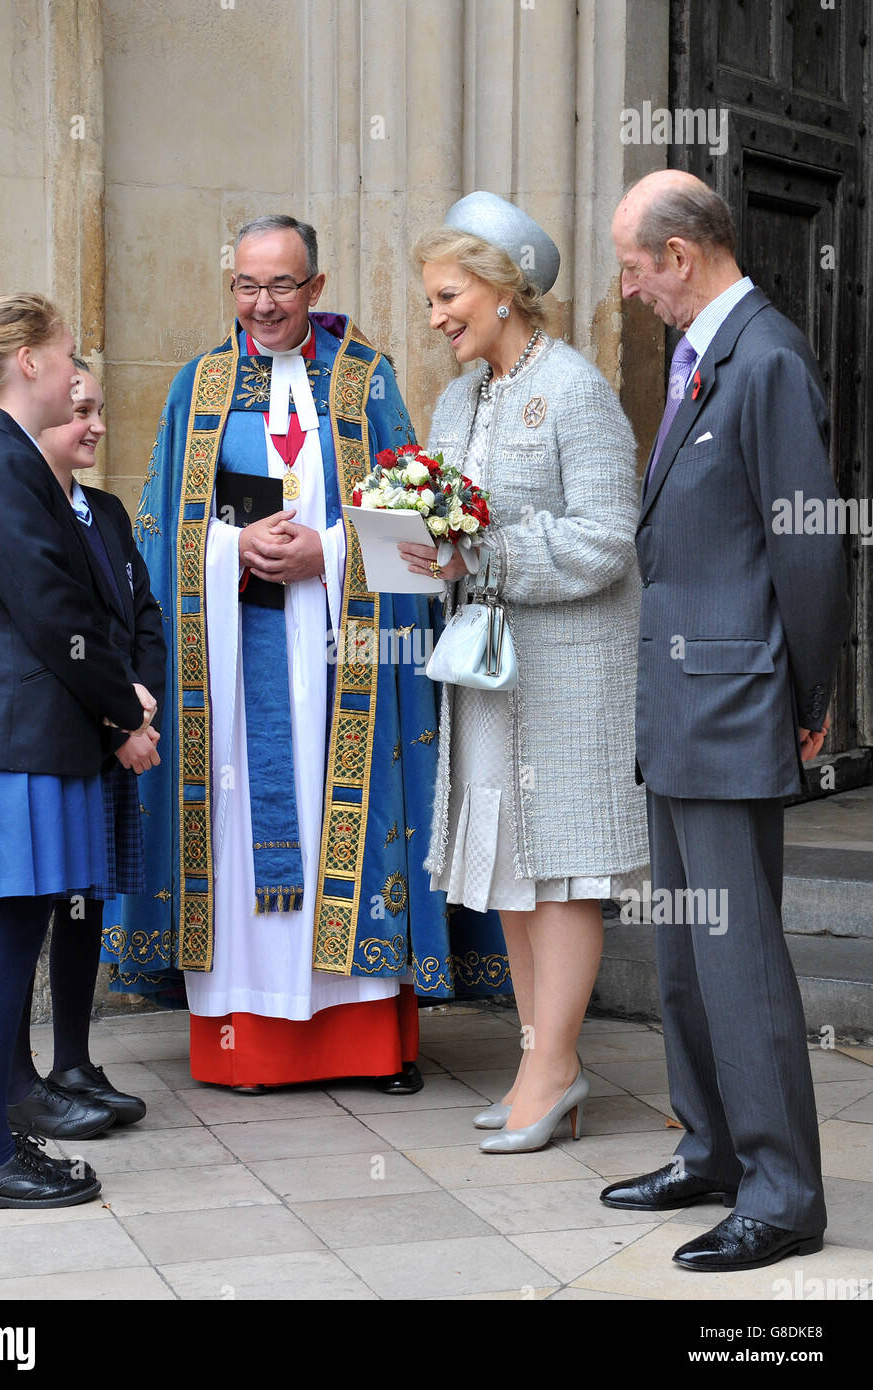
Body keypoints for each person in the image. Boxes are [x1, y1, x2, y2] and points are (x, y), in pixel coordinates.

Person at [126, 215, 460, 1090]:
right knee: (240, 837)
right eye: (247, 285)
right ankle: (248, 1044)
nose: (262, 304)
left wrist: (329, 551)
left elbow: (414, 530)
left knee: (342, 825)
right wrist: (230, 552)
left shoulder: (364, 381)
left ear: (315, 289)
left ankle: (365, 1044)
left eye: (281, 286)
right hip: (229, 672)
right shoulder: (195, 388)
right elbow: (158, 539)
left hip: (341, 658)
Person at [604, 170, 849, 1271]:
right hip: (681, 703)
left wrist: (807, 698)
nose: (627, 289)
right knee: (683, 956)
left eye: (631, 267)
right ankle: (707, 1148)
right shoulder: (698, 356)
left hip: (738, 700)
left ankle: (782, 1192)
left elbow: (805, 546)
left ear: (682, 256)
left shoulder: (768, 359)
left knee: (736, 957)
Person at [405, 192, 650, 1153]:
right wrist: (419, 552)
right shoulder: (458, 397)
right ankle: (537, 1063)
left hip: (569, 674)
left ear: (504, 291)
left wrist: (484, 555)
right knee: (514, 871)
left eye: (447, 296)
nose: (435, 318)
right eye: (430, 300)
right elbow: (446, 526)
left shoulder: (577, 390)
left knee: (561, 872)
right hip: (489, 671)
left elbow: (604, 540)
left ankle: (553, 1070)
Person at [0, 293, 157, 1209]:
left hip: (29, 734)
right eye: (66, 356)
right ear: (26, 364)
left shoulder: (1, 460)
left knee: (12, 939)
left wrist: (115, 703)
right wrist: (124, 715)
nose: (74, 370)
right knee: (9, 943)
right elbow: (54, 619)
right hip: (18, 737)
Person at [3, 359, 167, 1139]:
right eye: (80, 414)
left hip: (117, 730)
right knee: (32, 908)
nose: (96, 426)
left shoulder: (105, 510)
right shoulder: (28, 510)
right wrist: (117, 718)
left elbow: (142, 617)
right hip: (67, 733)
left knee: (86, 903)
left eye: (99, 411)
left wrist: (144, 699)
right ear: (40, 422)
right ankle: (18, 1080)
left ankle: (73, 1060)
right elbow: (52, 632)